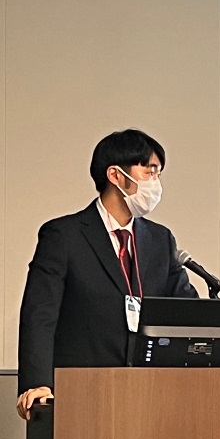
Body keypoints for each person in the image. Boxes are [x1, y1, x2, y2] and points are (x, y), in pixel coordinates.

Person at [16, 129, 197, 419]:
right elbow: (40, 315)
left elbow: (188, 312)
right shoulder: (64, 236)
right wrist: (38, 383)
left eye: (158, 174)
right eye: (149, 171)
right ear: (115, 175)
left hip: (150, 395)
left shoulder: (160, 240)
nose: (156, 182)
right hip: (82, 394)